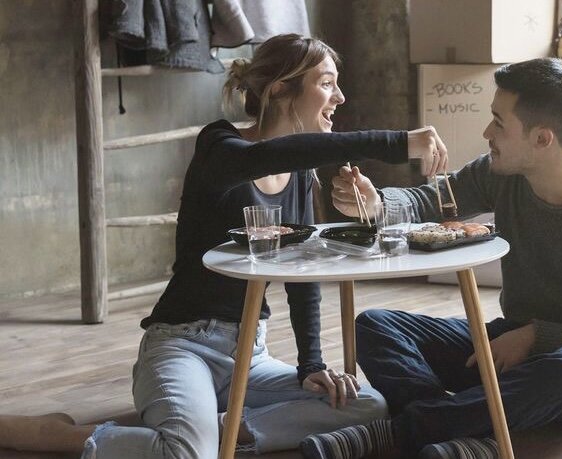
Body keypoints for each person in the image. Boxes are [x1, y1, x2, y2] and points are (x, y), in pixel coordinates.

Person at [0, 33, 448, 458]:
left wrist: (311, 365)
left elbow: (302, 274)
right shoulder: (220, 146)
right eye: (327, 83)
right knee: (185, 453)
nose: (340, 97)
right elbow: (268, 156)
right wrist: (398, 143)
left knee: (365, 404)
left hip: (250, 355)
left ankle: (222, 431)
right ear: (280, 90)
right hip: (182, 346)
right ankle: (59, 435)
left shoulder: (299, 176)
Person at [299, 57, 562, 459]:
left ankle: (401, 432)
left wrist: (535, 336)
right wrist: (376, 204)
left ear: (542, 139)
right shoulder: (501, 175)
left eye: (499, 123)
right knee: (376, 326)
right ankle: (470, 434)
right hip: (511, 345)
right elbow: (428, 201)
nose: (487, 132)